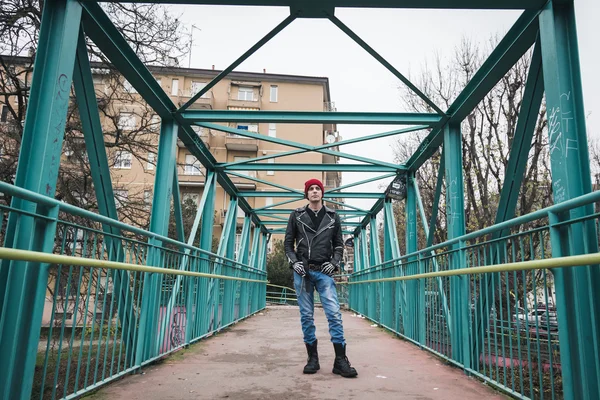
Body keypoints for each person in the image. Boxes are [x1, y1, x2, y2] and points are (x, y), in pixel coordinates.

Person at [284, 178, 358, 378]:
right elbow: (288, 244)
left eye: (318, 189)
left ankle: (340, 360)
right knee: (307, 316)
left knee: (334, 313)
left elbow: (339, 245)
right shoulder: (296, 215)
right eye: (311, 189)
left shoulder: (333, 217)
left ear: (322, 193)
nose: (315, 191)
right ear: (306, 194)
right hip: (303, 272)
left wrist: (334, 263)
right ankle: (312, 359)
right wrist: (294, 262)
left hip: (324, 272)